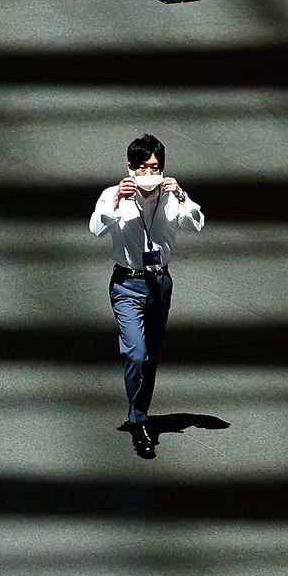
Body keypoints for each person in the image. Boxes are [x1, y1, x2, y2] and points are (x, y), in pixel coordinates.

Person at [88, 134, 205, 459]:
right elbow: (96, 228)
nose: (148, 173)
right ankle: (137, 419)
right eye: (142, 167)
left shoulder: (171, 196)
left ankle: (140, 412)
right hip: (127, 283)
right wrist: (114, 203)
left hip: (160, 283)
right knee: (136, 353)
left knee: (151, 354)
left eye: (154, 167)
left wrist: (181, 196)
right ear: (130, 168)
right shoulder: (113, 195)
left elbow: (195, 224)